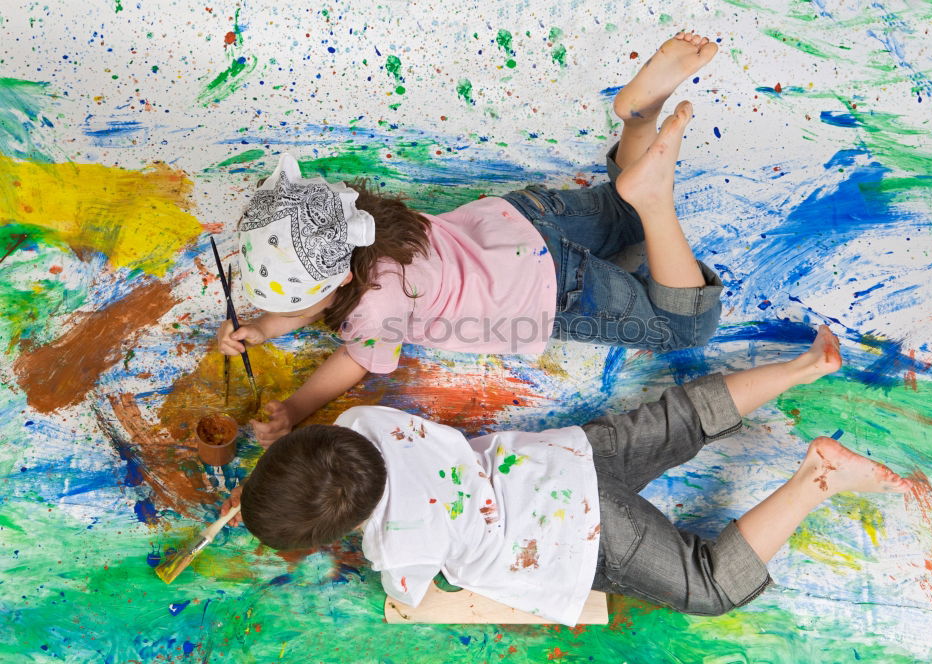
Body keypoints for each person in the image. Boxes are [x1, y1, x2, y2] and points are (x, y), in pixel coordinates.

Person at [217, 32, 724, 444]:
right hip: (522, 219)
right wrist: (262, 328)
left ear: (342, 276)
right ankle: (639, 119)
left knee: (679, 330)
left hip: (547, 289)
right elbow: (313, 292)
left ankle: (655, 199)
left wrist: (298, 408)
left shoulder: (375, 308)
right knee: (623, 211)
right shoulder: (358, 218)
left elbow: (356, 357)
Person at [221, 326, 911, 625]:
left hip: (578, 540)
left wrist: (363, 548)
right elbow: (326, 454)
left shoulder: (397, 551)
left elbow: (411, 593)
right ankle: (803, 368)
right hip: (561, 458)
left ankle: (816, 478)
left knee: (708, 587)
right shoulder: (363, 425)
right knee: (675, 421)